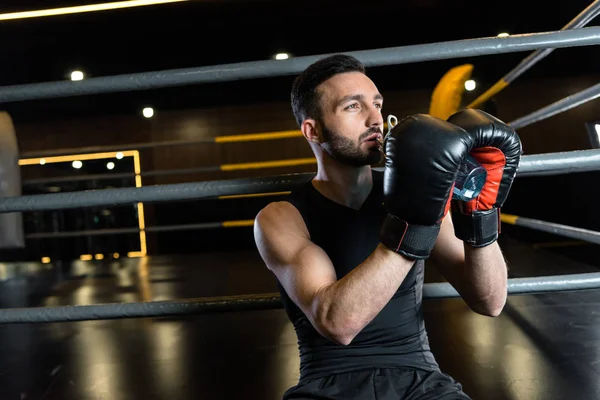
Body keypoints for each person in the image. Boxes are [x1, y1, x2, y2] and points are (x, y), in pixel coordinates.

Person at [253, 54, 521, 399]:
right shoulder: (281, 217)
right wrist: (414, 223)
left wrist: (480, 213)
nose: (375, 118)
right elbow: (337, 323)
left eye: (377, 104)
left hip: (421, 381)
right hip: (327, 387)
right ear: (313, 129)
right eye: (352, 107)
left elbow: (491, 301)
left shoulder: (417, 193)